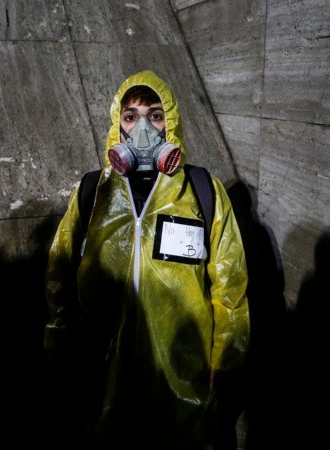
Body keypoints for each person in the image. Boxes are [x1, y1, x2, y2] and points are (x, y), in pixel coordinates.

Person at [44, 70, 250, 450]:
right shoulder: (93, 192)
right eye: (131, 116)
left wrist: (224, 357)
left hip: (181, 370)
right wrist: (64, 344)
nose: (143, 129)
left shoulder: (203, 190)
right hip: (103, 366)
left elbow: (229, 281)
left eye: (155, 115)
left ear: (170, 123)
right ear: (117, 126)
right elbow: (60, 268)